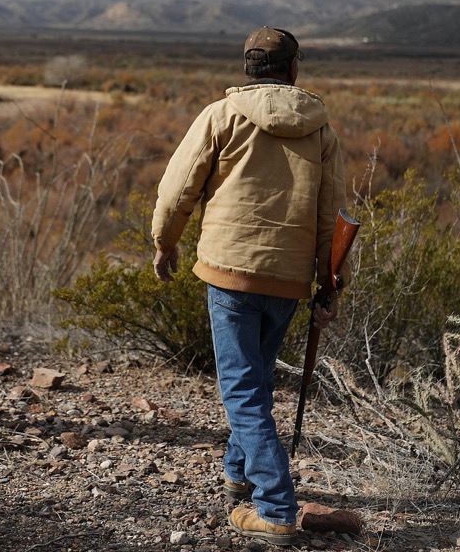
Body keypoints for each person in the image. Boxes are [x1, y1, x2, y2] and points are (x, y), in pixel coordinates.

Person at [151, 27, 346, 546]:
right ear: (293, 68)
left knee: (242, 389)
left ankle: (276, 508)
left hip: (229, 270)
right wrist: (329, 285)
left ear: (248, 67)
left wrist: (164, 242)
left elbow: (178, 188)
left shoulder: (221, 115)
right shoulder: (321, 130)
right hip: (288, 279)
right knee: (254, 381)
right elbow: (332, 219)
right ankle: (238, 473)